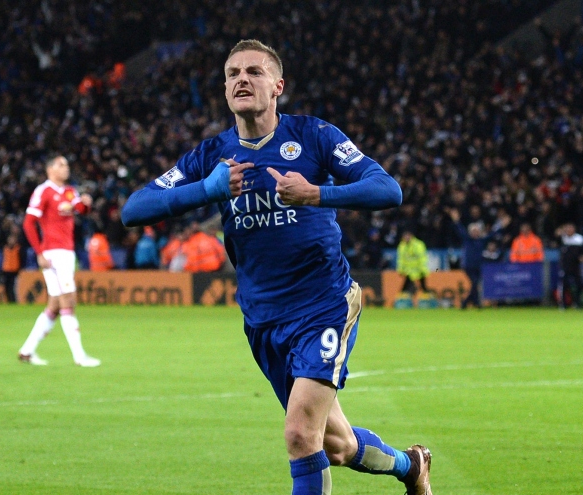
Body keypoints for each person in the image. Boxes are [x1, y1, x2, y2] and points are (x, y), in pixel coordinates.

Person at [121, 40, 430, 495]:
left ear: (278, 86)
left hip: (324, 304)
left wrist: (316, 194)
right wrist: (206, 190)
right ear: (225, 89)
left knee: (300, 434)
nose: (242, 79)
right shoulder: (211, 156)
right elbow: (134, 209)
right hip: (263, 318)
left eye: (254, 71)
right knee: (337, 445)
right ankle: (411, 466)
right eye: (232, 74)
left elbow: (387, 189)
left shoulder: (314, 136)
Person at [18, 154, 100, 367]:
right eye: (61, 165)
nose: (66, 168)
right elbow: (28, 223)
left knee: (54, 305)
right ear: (50, 170)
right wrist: (39, 252)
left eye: (67, 165)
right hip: (53, 254)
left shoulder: (69, 191)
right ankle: (79, 357)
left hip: (67, 251)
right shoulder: (43, 191)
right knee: (68, 300)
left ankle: (26, 352)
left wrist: (86, 204)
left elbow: (80, 209)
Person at [396, 231, 432, 298]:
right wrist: (400, 269)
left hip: (418, 268)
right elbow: (400, 259)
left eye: (407, 236)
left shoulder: (418, 245)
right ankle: (402, 296)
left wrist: (422, 268)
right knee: (407, 282)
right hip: (408, 269)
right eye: (405, 236)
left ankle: (426, 295)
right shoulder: (402, 246)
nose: (406, 238)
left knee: (422, 282)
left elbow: (422, 257)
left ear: (411, 236)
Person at [556, 223, 583, 309]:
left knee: (579, 284)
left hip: (576, 266)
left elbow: (582, 251)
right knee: (564, 285)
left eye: (571, 228)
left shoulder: (579, 239)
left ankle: (577, 303)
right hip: (565, 266)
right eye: (567, 229)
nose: (569, 230)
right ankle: (563, 304)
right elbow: (556, 240)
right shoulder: (563, 238)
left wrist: (582, 256)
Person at [1, 232, 22, 303]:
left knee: (13, 287)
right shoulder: (5, 248)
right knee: (6, 287)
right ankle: (9, 301)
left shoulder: (18, 248)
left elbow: (21, 259)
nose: (11, 241)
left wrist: (19, 269)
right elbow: (2, 260)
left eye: (13, 239)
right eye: (10, 239)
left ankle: (14, 301)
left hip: (14, 271)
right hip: (6, 271)